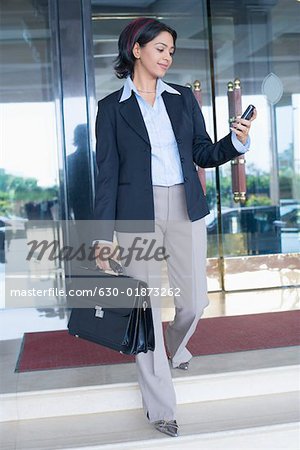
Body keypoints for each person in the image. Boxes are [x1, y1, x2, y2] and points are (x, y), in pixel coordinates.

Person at [92, 17, 256, 437]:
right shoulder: (111, 108)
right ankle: (161, 406)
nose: (167, 56)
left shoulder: (182, 98)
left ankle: (175, 346)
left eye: (171, 51)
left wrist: (235, 142)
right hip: (135, 212)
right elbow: (107, 174)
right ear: (137, 50)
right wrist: (101, 235)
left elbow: (201, 152)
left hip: (185, 205)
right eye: (160, 48)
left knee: (194, 302)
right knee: (143, 310)